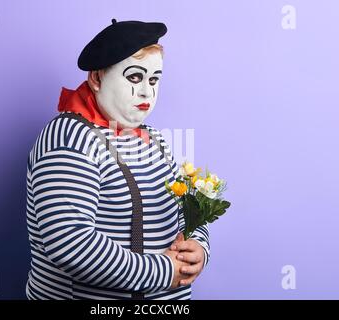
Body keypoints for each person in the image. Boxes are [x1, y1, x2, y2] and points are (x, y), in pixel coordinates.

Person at [25, 19, 210, 300]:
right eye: (134, 77)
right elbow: (71, 244)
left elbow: (184, 209)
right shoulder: (69, 137)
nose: (147, 91)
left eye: (154, 79)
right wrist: (163, 272)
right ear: (97, 79)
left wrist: (199, 248)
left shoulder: (153, 138)